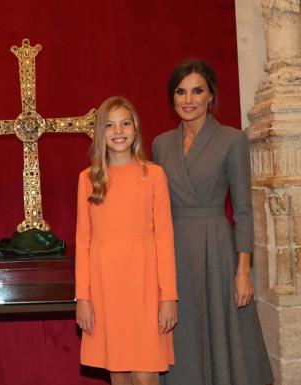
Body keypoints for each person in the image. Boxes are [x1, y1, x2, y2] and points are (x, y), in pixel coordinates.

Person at [152, 59, 273, 385]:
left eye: (197, 91)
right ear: (172, 97)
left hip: (217, 251)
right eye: (181, 91)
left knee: (223, 334)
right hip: (174, 250)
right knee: (183, 334)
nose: (188, 99)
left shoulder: (232, 140)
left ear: (210, 97)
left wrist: (243, 270)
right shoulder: (160, 144)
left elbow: (244, 210)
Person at [75, 96, 178, 385]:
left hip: (145, 285)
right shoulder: (88, 179)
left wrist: (168, 296)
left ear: (136, 129)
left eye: (125, 123)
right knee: (117, 370)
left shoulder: (154, 175)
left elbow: (165, 239)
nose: (118, 131)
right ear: (100, 132)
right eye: (109, 125)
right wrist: (83, 297)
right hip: (106, 285)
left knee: (145, 373)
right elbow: (83, 242)